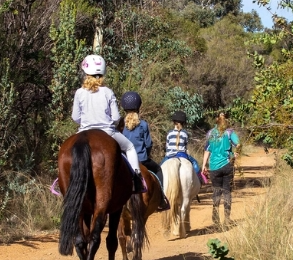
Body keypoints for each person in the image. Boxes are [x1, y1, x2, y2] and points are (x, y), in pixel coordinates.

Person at [71, 54, 145, 193]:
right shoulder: (107, 92)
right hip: (107, 132)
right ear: (102, 72)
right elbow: (116, 117)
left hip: (84, 131)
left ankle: (61, 179)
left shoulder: (79, 92)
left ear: (85, 72)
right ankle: (136, 179)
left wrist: (87, 122)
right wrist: (108, 122)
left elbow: (75, 117)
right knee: (129, 148)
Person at [120, 91, 170, 211]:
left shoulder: (122, 125)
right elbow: (148, 143)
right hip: (142, 159)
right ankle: (161, 199)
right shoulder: (143, 124)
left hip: (126, 160)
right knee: (158, 169)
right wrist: (146, 154)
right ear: (138, 107)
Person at [201, 112, 241, 229]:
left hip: (214, 167)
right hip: (227, 165)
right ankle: (227, 219)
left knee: (216, 191)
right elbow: (238, 144)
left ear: (216, 120)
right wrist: (236, 153)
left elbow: (207, 150)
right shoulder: (230, 132)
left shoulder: (210, 133)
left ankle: (215, 216)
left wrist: (204, 165)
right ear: (226, 121)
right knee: (227, 192)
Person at [163, 111, 204, 184]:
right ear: (184, 123)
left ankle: (159, 185)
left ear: (173, 122)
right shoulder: (185, 133)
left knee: (159, 168)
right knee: (195, 163)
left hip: (169, 156)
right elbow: (185, 147)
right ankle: (200, 180)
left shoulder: (169, 133)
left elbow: (167, 147)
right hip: (182, 155)